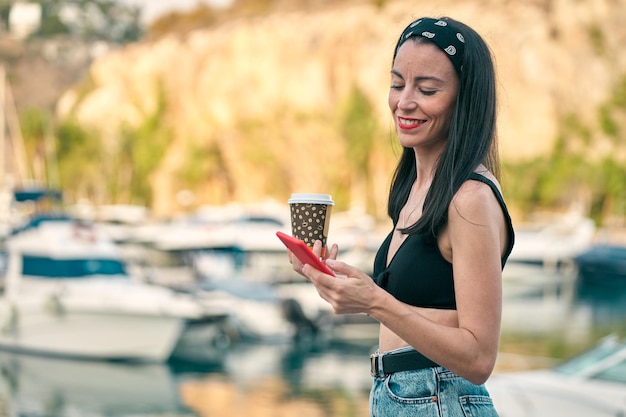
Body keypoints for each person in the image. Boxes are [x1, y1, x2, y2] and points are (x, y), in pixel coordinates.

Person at [287, 16, 514, 417]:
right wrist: (341, 282)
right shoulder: (414, 190)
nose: (404, 101)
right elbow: (424, 310)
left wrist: (375, 302)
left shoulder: (470, 199)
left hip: (437, 396)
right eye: (397, 84)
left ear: (465, 99)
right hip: (403, 395)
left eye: (426, 89)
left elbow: (479, 357)